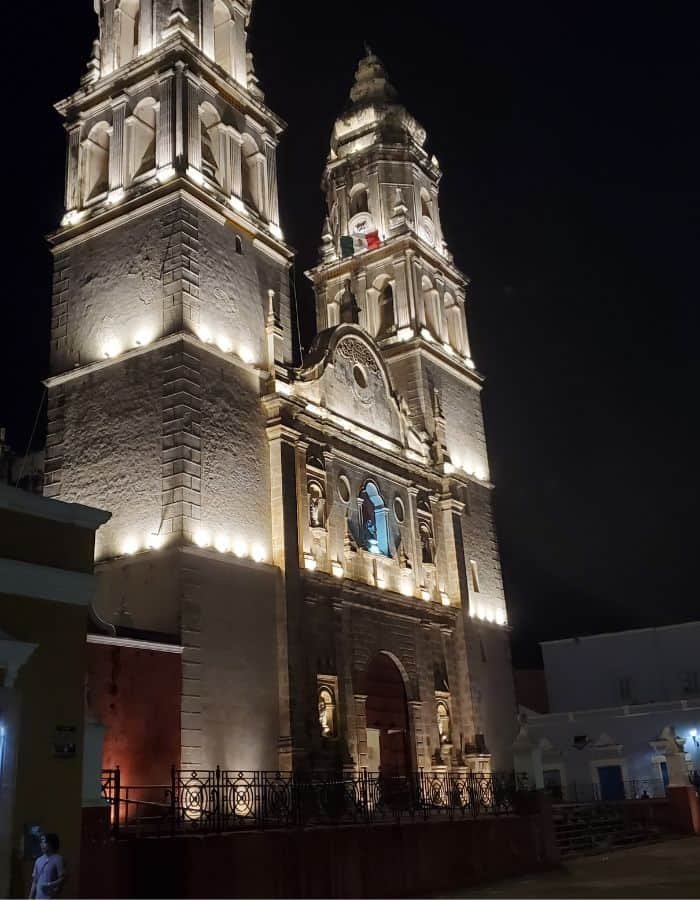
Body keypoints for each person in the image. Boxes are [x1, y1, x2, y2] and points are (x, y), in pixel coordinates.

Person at [28, 834, 66, 899]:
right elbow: (35, 881)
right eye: (41, 842)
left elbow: (63, 879)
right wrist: (30, 897)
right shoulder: (38, 860)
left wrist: (49, 885)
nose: (42, 844)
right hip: (38, 897)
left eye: (44, 842)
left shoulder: (58, 859)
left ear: (51, 843)